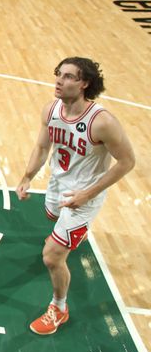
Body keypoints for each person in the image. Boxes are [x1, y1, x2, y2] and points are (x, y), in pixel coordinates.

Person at [16, 57, 135, 335]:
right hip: (58, 184)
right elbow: (42, 146)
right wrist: (27, 176)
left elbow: (127, 161)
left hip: (86, 196)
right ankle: (67, 236)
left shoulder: (102, 122)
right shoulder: (51, 110)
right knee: (51, 216)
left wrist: (87, 193)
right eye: (59, 74)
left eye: (69, 76)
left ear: (84, 84)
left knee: (52, 257)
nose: (59, 80)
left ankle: (59, 308)